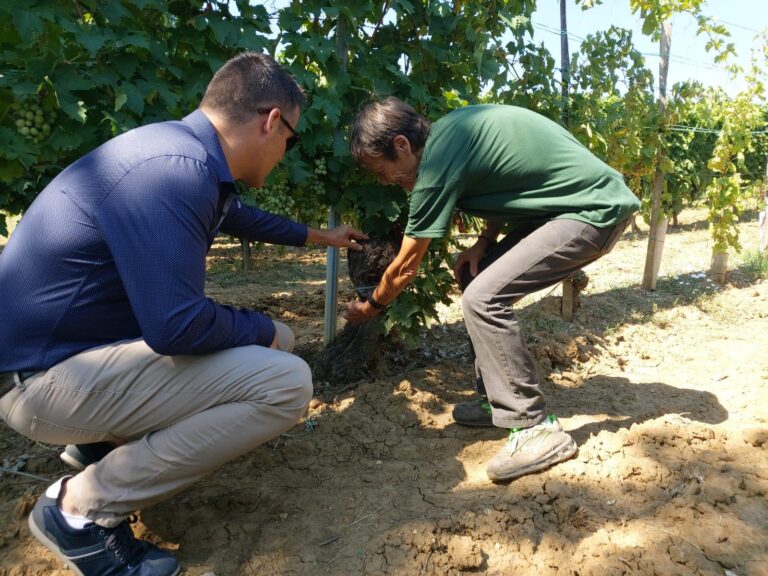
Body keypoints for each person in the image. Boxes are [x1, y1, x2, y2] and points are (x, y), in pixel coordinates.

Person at [0, 52, 366, 576]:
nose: (288, 151)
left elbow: (241, 217)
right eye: (292, 138)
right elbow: (177, 327)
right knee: (284, 380)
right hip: (40, 385)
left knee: (257, 344)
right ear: (270, 121)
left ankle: (96, 445)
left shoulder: (176, 151)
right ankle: (79, 512)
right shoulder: (175, 171)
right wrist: (264, 329)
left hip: (51, 361)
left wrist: (322, 237)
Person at [345, 97, 639, 483]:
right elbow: (505, 179)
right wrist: (485, 241)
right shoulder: (453, 134)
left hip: (592, 213)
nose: (385, 181)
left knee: (483, 298)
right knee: (475, 276)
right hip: (568, 211)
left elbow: (406, 265)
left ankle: (535, 428)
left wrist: (371, 307)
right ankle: (497, 400)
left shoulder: (434, 163)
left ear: (401, 144)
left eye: (382, 171)